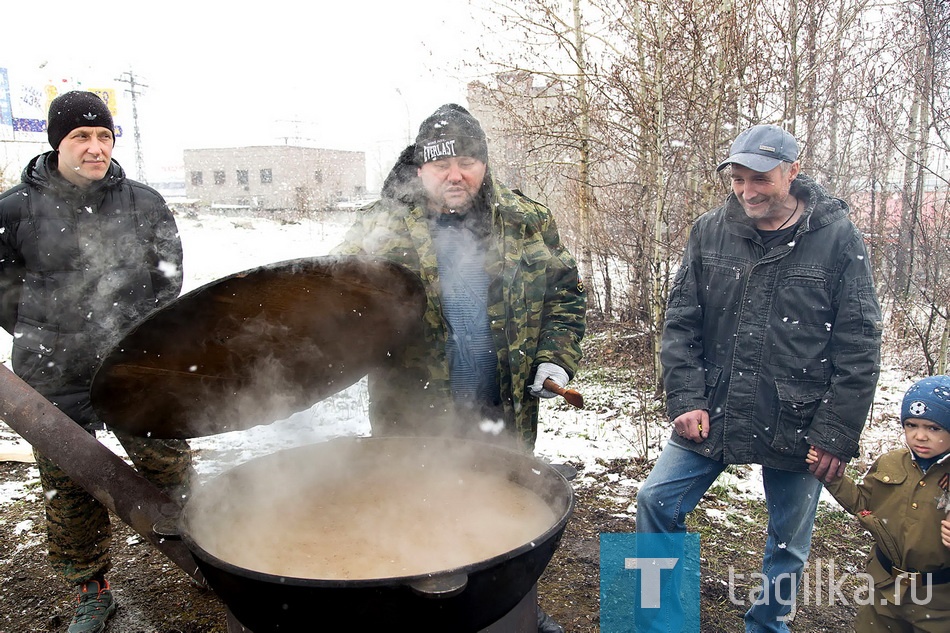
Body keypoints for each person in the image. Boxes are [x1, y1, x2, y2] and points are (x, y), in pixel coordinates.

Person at [332, 103, 586, 632]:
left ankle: (516, 613)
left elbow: (564, 298)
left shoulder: (526, 220)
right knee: (418, 511)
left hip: (504, 407)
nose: (455, 174)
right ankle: (423, 620)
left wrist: (551, 358)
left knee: (510, 517)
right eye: (441, 164)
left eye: (468, 161)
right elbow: (336, 308)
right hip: (414, 413)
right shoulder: (379, 228)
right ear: (418, 167)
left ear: (484, 163)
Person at [635, 124, 883, 631]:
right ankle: (656, 623)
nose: (747, 191)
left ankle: (768, 626)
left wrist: (835, 432)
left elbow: (859, 341)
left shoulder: (837, 238)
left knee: (788, 541)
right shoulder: (709, 230)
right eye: (738, 178)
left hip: (796, 414)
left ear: (793, 171)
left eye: (761, 179)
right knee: (654, 501)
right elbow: (681, 321)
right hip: (715, 405)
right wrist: (685, 397)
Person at [0, 91, 194, 633]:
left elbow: (168, 278)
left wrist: (139, 337)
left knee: (171, 469)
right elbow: (1, 289)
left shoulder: (143, 202)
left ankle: (209, 556)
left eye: (104, 136)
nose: (94, 147)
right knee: (69, 486)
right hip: (52, 371)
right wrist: (45, 329)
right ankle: (92, 587)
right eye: (80, 137)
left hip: (133, 364)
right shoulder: (13, 209)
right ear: (56, 144)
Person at [807, 375, 950, 632]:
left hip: (939, 602)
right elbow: (863, 502)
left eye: (934, 428)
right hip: (884, 591)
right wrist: (829, 475)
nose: (920, 436)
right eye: (911, 425)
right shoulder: (891, 462)